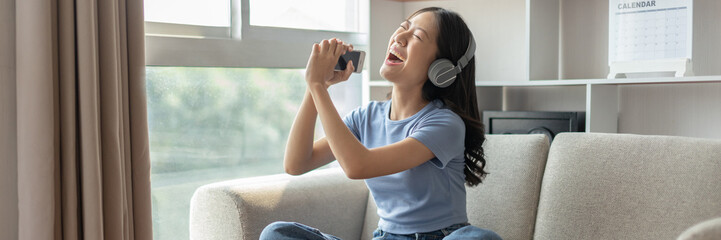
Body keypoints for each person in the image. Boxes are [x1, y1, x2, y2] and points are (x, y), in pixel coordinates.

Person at [260, 7, 502, 240]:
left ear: (442, 68)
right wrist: (317, 87)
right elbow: (296, 163)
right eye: (402, 27)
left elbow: (358, 166)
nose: (400, 36)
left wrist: (316, 86)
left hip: (443, 237)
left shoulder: (445, 124)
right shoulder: (366, 117)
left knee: (480, 238)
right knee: (277, 234)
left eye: (417, 36)